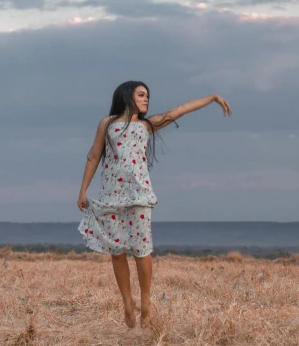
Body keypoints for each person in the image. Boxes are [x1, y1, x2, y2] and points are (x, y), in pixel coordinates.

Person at [77, 81, 232, 328]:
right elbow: (94, 155)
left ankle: (146, 302)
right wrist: (83, 190)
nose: (146, 99)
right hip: (112, 195)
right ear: (127, 96)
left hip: (140, 195)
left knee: (141, 249)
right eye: (141, 95)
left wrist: (212, 97)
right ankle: (128, 303)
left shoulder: (147, 125)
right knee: (117, 251)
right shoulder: (107, 124)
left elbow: (180, 110)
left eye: (147, 95)